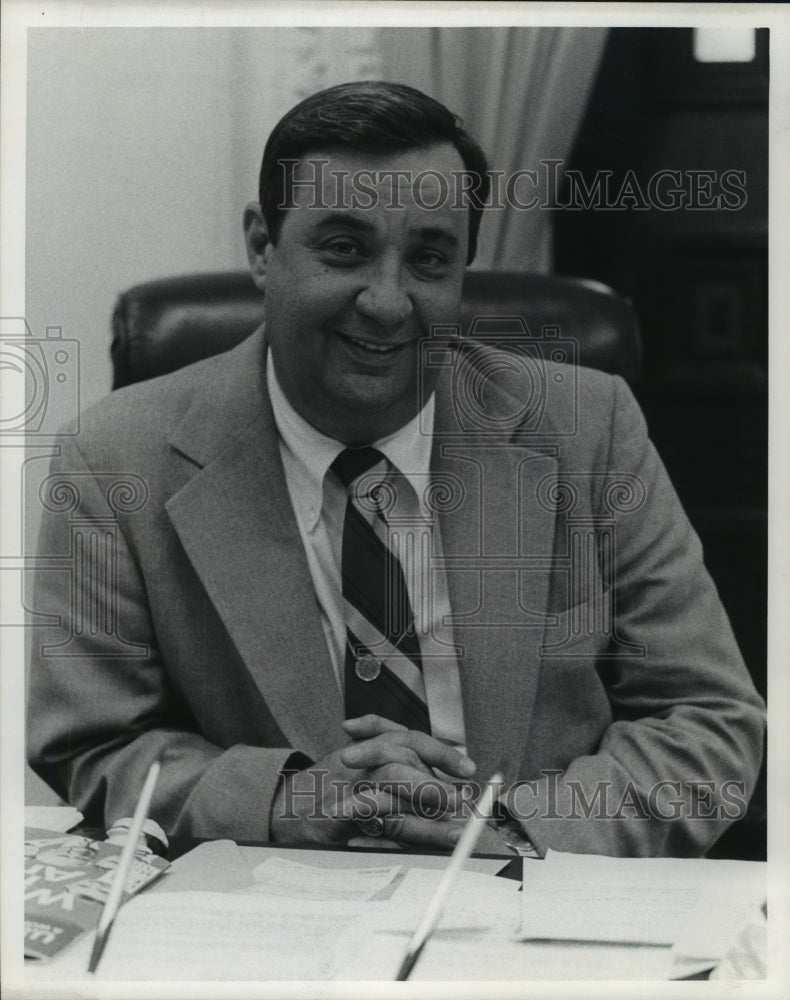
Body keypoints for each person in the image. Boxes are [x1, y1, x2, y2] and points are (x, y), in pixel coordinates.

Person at [27, 81, 765, 858]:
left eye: (428, 258)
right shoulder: (114, 458)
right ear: (259, 246)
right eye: (344, 248)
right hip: (268, 914)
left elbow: (712, 722)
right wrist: (280, 799)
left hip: (531, 899)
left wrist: (519, 827)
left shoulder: (588, 428)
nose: (386, 301)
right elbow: (92, 743)